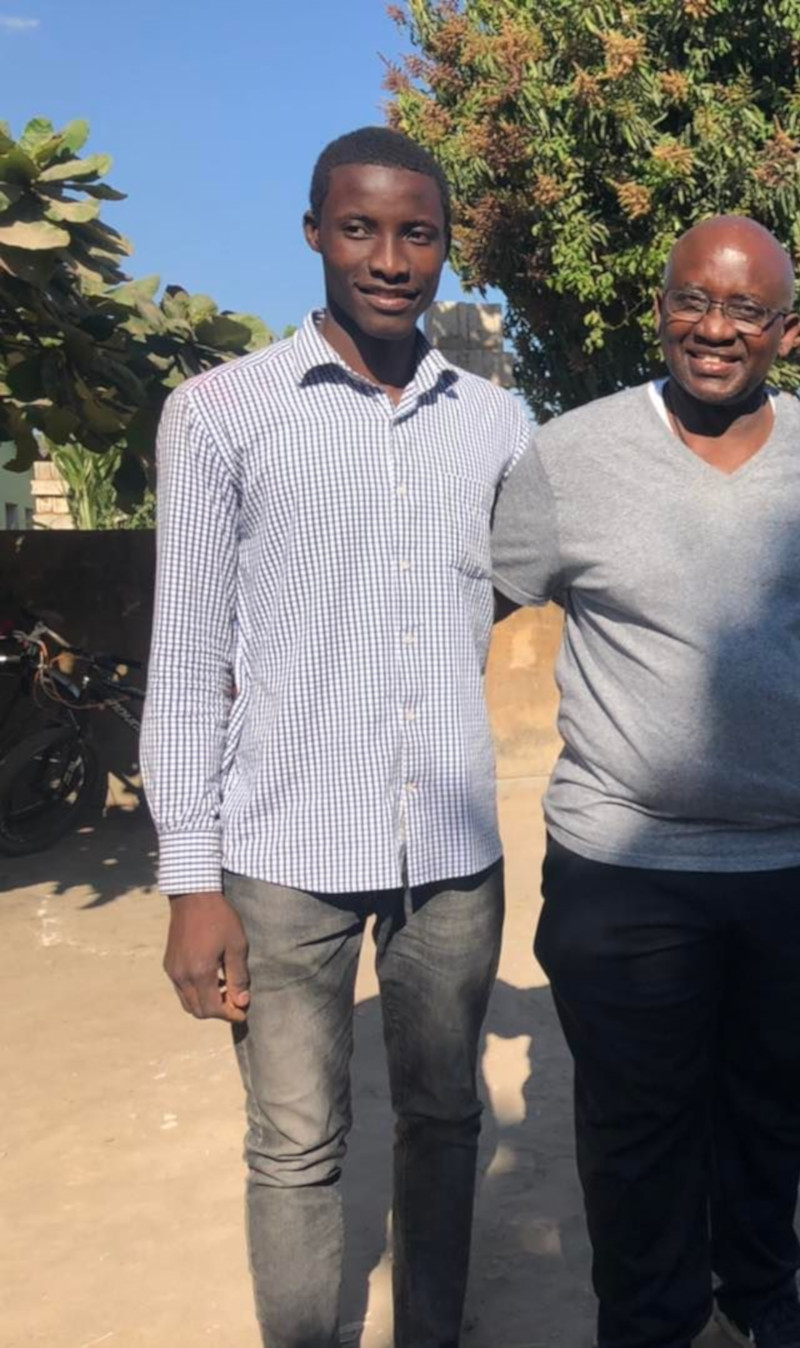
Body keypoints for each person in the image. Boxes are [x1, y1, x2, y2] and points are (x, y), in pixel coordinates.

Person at [143, 127, 533, 1347]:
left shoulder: (498, 424)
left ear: (446, 247)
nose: (389, 258)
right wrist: (187, 879)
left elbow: (521, 581)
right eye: (360, 227)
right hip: (282, 854)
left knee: (445, 1121)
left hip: (452, 857)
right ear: (313, 232)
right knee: (297, 1146)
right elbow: (187, 653)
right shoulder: (219, 415)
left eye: (417, 232)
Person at [488, 216, 800, 1348]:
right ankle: (652, 1320)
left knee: (772, 1106)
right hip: (624, 865)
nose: (716, 329)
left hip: (793, 864)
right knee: (638, 1123)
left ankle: (759, 1290)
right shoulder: (570, 454)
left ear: (784, 328)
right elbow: (476, 608)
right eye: (693, 301)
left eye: (747, 309)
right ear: (659, 306)